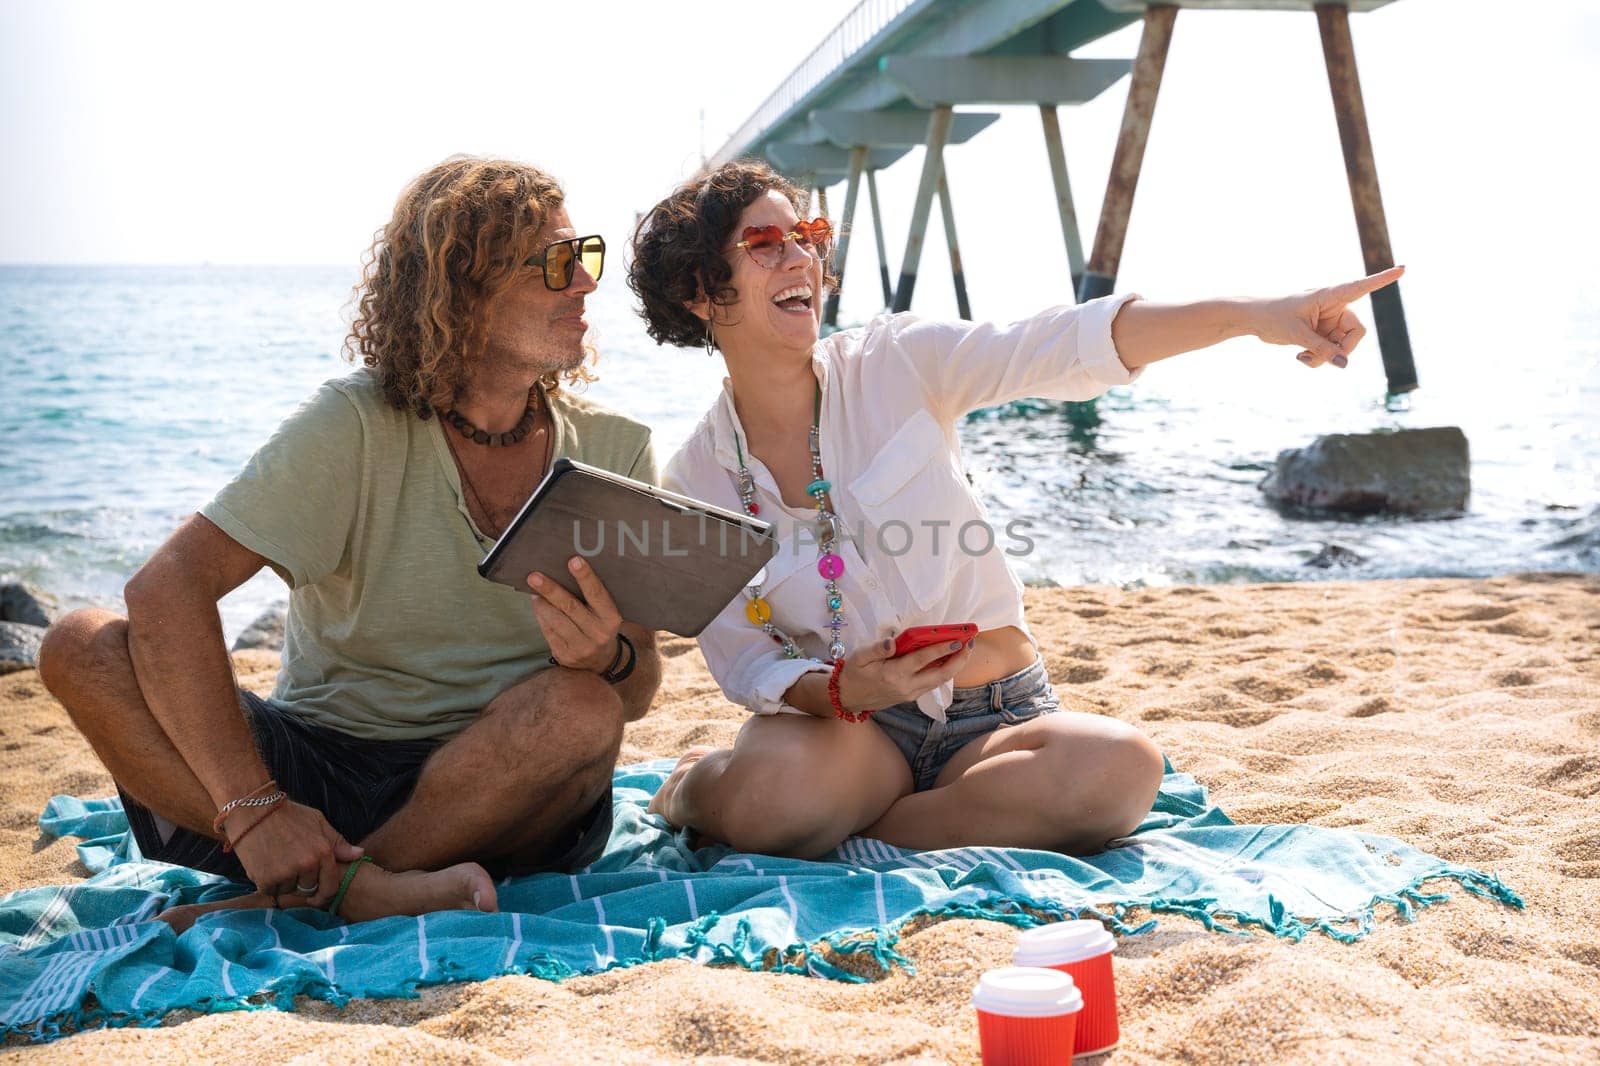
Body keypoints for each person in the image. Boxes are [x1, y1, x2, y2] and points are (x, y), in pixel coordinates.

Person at [628, 159, 1402, 861]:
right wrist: (842, 692)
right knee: (778, 800)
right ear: (699, 289)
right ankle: (694, 788)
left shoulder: (895, 361)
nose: (803, 258)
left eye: (810, 236)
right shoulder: (696, 475)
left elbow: (1064, 342)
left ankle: (877, 825)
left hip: (997, 715)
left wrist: (1257, 313)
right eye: (767, 243)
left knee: (1119, 772)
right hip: (853, 731)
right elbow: (748, 656)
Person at [38, 157, 660, 928]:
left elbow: (634, 694)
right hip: (313, 769)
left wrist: (607, 658)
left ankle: (329, 891)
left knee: (582, 711)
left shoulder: (615, 452)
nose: (586, 284)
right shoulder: (354, 425)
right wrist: (257, 810)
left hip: (500, 789)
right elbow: (166, 588)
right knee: (78, 644)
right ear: (461, 289)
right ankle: (356, 887)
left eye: (585, 255)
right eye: (558, 263)